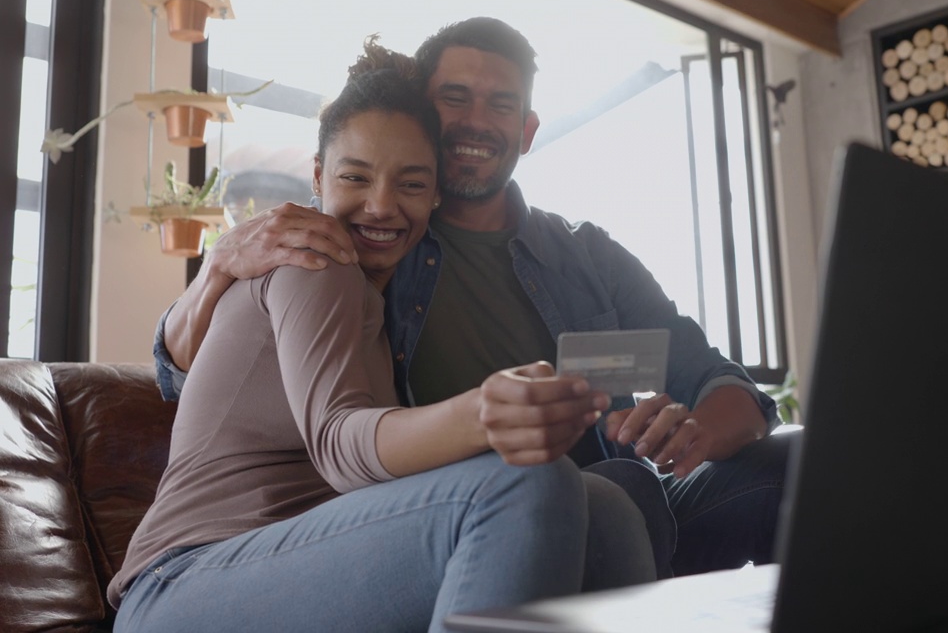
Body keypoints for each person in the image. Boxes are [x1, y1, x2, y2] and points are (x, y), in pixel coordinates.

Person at [156, 17, 795, 577]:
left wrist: (694, 432)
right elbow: (186, 380)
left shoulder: (589, 257)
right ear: (423, 119)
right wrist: (215, 270)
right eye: (455, 98)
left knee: (789, 463)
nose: (476, 122)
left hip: (631, 506)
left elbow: (727, 387)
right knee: (603, 492)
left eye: (501, 105)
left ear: (527, 129)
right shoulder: (373, 241)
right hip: (468, 519)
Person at [110, 43, 603, 632]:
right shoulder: (312, 259)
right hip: (183, 585)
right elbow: (339, 444)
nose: (381, 206)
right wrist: (482, 414)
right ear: (318, 176)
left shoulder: (391, 299)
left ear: (437, 193)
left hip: (306, 564)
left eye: (412, 185)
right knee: (524, 484)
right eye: (355, 177)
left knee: (611, 509)